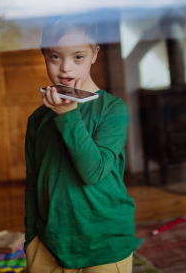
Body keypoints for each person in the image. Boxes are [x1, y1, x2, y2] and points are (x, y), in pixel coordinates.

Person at [24, 15, 136, 272]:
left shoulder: (113, 109)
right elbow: (33, 183)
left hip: (105, 243)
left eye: (78, 57)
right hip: (48, 244)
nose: (65, 68)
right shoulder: (37, 120)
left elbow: (93, 171)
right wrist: (31, 240)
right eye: (55, 56)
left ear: (94, 54)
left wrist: (68, 115)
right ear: (44, 54)